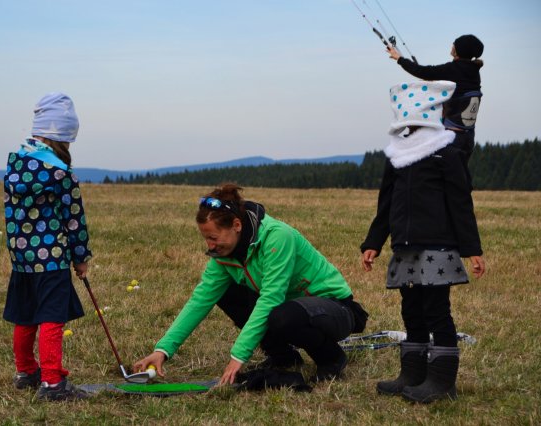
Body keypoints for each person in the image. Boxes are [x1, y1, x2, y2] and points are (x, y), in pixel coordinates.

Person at [133, 183, 368, 385]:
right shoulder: (224, 254)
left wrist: (238, 357)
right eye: (206, 238)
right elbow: (200, 300)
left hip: (336, 308)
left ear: (236, 225)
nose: (210, 246)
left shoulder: (277, 237)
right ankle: (283, 357)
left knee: (281, 315)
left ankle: (331, 358)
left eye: (213, 237)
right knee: (225, 293)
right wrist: (163, 350)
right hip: (289, 307)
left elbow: (271, 298)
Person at [360, 80, 486, 403]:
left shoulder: (447, 152)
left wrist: (472, 249)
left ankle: (442, 382)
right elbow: (386, 203)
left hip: (438, 246)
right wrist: (374, 241)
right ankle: (412, 374)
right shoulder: (397, 156)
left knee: (436, 310)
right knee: (411, 308)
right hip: (404, 247)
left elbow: (460, 203)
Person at [3, 92, 92, 401]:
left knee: (24, 314)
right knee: (51, 317)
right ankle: (52, 383)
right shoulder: (61, 173)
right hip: (52, 258)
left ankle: (26, 371)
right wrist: (80, 257)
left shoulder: (15, 163)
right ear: (63, 136)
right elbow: (73, 218)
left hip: (22, 258)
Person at [387, 34, 484, 164]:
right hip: (468, 137)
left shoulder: (453, 69)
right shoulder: (474, 72)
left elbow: (422, 71)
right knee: (460, 177)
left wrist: (399, 58)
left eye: (454, 43)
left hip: (450, 138)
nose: (452, 45)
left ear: (458, 50)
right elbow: (457, 85)